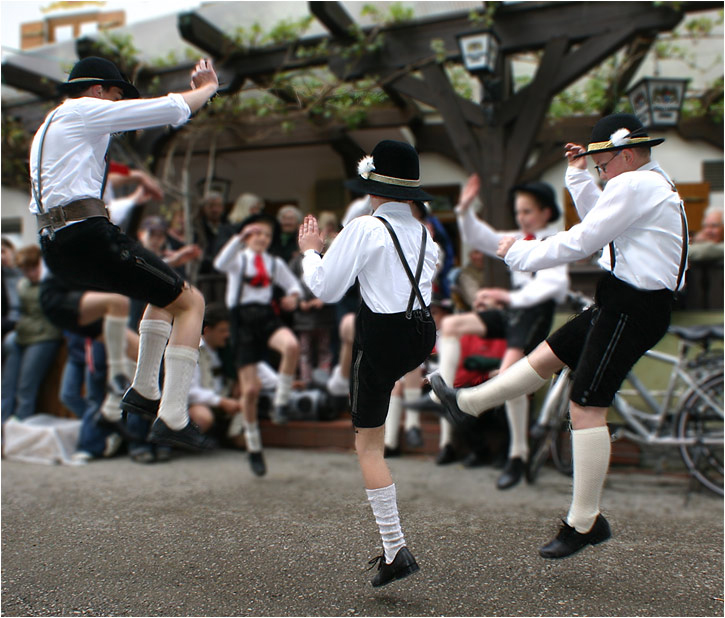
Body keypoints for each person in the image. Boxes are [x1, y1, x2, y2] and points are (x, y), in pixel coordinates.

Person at [431, 113, 688, 559]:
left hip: (632, 305)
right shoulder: (649, 183)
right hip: (625, 301)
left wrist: (521, 253)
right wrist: (578, 173)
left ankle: (584, 521)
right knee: (548, 354)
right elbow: (603, 219)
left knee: (585, 405)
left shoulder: (635, 186)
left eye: (602, 165)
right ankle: (468, 403)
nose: (601, 173)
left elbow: (585, 238)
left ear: (626, 154)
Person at [29, 55, 220, 451]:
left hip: (56, 242)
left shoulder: (50, 126)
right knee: (192, 303)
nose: (116, 106)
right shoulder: (85, 110)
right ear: (98, 90)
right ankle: (173, 415)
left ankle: (145, 389)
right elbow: (169, 108)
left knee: (163, 294)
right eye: (115, 96)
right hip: (86, 235)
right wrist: (207, 89)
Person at [298, 140, 438, 587]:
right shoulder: (424, 233)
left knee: (368, 447)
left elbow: (325, 288)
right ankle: (447, 397)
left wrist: (310, 250)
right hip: (422, 334)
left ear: (372, 189)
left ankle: (395, 550)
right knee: (391, 386)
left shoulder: (364, 228)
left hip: (381, 339)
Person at [433, 173, 568, 489]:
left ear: (546, 212)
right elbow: (481, 237)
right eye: (519, 212)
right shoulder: (520, 238)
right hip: (512, 311)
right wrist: (464, 210)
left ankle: (518, 455)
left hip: (533, 313)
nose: (522, 218)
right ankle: (443, 393)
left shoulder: (556, 242)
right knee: (452, 324)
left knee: (508, 376)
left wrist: (504, 296)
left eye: (528, 212)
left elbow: (550, 286)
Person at [214, 213, 302, 476]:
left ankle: (281, 403)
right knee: (250, 390)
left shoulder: (274, 263)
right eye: (256, 233)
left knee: (292, 346)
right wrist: (238, 237)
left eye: (266, 235)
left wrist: (294, 297)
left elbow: (293, 284)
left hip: (265, 316)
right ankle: (253, 446)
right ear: (247, 236)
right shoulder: (238, 260)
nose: (262, 238)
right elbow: (219, 263)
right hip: (242, 320)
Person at [1, 245, 63, 422]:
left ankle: (21, 432)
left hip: (44, 337)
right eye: (25, 270)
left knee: (25, 388)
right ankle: (3, 429)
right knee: (7, 386)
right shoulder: (22, 284)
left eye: (32, 269)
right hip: (23, 335)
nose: (29, 274)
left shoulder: (51, 283)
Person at [187, 303, 242, 439]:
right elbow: (190, 392)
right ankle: (185, 440)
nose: (227, 335)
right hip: (199, 404)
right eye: (222, 331)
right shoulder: (194, 351)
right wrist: (221, 402)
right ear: (207, 331)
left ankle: (235, 436)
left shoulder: (225, 350)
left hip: (222, 399)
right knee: (203, 418)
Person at [193, 192, 235, 275]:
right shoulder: (196, 226)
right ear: (204, 208)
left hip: (224, 271)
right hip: (203, 272)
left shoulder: (228, 225)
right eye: (211, 206)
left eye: (218, 206)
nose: (215, 210)